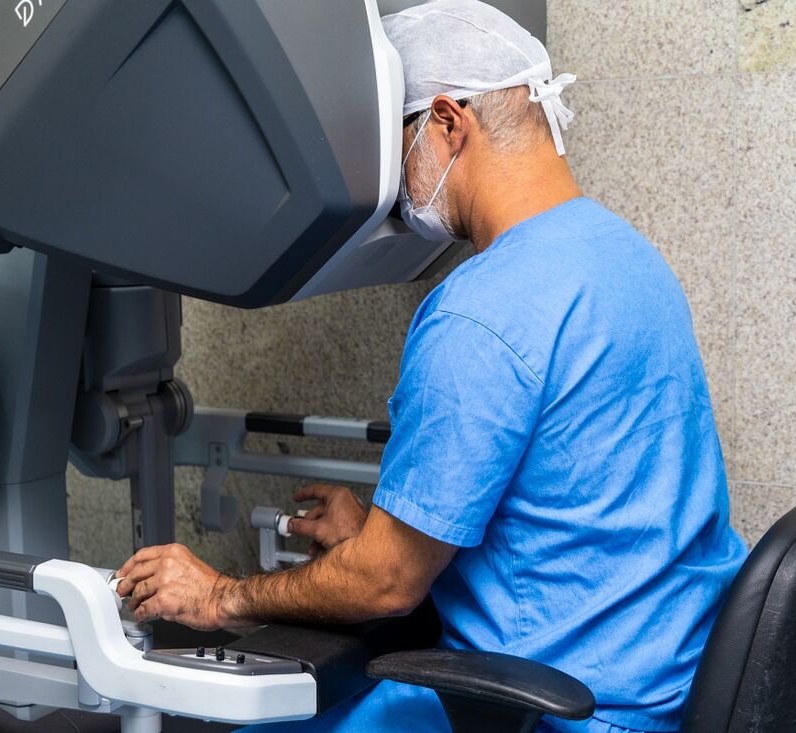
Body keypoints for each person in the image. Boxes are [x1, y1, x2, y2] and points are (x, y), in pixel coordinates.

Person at [115, 2, 747, 731]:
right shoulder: (628, 256)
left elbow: (387, 585)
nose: (394, 187)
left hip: (564, 711)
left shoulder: (479, 311)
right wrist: (382, 531)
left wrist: (219, 593)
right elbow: (572, 498)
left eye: (398, 148)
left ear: (449, 123)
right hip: (667, 681)